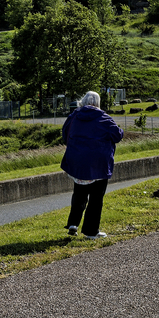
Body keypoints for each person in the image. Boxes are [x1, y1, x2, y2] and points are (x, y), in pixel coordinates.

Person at [60, 90, 123, 239]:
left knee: (79, 193)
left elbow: (65, 134)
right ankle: (90, 231)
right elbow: (118, 135)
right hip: (98, 164)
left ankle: (73, 224)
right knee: (96, 198)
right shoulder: (104, 118)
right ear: (98, 103)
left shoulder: (74, 115)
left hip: (78, 162)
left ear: (84, 100)